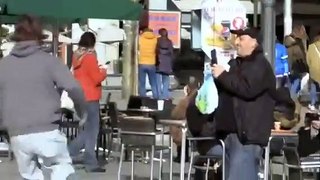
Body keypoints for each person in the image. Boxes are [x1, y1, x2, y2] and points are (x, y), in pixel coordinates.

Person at [0, 15, 87, 180]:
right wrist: (82, 111)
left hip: (17, 134)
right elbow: (73, 87)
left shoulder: (4, 65)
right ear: (40, 37)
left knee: (31, 175)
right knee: (62, 170)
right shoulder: (49, 62)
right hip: (47, 130)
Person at [211, 27, 276, 180]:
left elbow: (248, 89)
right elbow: (230, 87)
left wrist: (223, 76)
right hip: (230, 134)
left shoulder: (259, 64)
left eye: (242, 38)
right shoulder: (235, 64)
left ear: (254, 42)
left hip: (246, 136)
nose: (237, 42)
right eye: (237, 38)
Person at [68, 32, 107, 172]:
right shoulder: (90, 58)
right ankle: (84, 158)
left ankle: (74, 154)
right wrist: (103, 71)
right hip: (91, 96)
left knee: (88, 129)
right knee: (93, 129)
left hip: (80, 96)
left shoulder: (76, 55)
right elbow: (96, 78)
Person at [284, 24, 308, 100]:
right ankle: (293, 99)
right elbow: (301, 56)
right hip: (296, 66)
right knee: (296, 82)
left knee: (292, 82)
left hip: (289, 66)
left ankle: (291, 98)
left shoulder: (287, 44)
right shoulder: (296, 45)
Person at [138, 28, 158, 99]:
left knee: (142, 83)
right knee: (153, 82)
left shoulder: (140, 38)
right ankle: (156, 96)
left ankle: (143, 98)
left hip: (142, 62)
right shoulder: (155, 39)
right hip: (152, 63)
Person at [156, 28, 174, 99]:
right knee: (166, 79)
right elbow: (172, 53)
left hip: (159, 61)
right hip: (167, 62)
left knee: (157, 79)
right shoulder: (169, 42)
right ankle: (165, 94)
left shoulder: (157, 41)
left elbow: (155, 51)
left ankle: (158, 94)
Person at [306, 34, 320, 110]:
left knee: (313, 87)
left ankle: (312, 104)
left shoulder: (311, 47)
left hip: (314, 70)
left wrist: (311, 67)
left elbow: (308, 60)